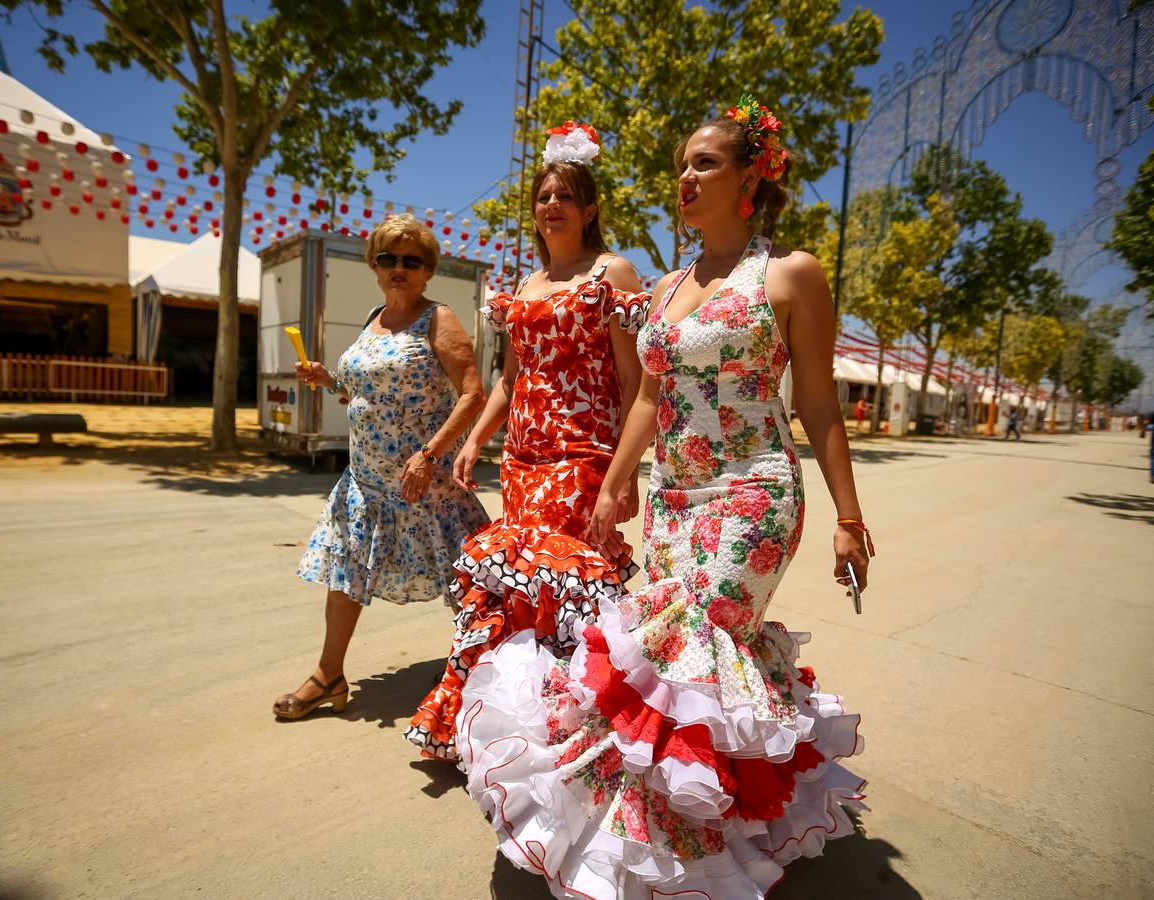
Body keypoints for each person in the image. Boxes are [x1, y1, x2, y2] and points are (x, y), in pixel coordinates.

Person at [458, 97, 872, 897]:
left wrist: (848, 516)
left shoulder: (788, 272)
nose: (684, 177)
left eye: (704, 163)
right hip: (675, 502)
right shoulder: (669, 283)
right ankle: (682, 841)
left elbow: (816, 403)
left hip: (753, 494)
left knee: (695, 655)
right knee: (673, 669)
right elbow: (648, 397)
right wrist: (616, 489)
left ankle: (689, 852)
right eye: (681, 164)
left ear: (752, 176)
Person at [403, 122, 650, 760]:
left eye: (565, 196)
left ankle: (574, 727)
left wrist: (626, 473)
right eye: (543, 196)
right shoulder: (526, 287)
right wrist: (474, 441)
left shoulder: (611, 271)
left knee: (560, 585)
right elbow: (510, 383)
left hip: (584, 456)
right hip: (522, 461)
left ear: (589, 209)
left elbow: (631, 379)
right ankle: (510, 725)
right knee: (520, 587)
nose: (551, 206)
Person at [273, 214, 490, 720]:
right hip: (365, 483)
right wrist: (329, 379)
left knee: (462, 582)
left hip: (423, 485)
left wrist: (429, 454)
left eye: (410, 261)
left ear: (427, 270)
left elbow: (473, 394)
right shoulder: (375, 317)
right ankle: (328, 675)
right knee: (345, 576)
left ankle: (484, 669)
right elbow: (363, 391)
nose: (398, 268)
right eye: (388, 258)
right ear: (374, 265)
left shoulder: (438, 319)